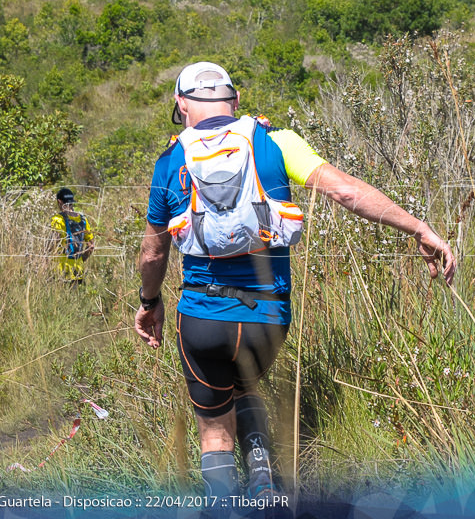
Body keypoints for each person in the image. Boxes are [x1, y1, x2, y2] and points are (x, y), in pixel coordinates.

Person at [134, 62, 456, 513]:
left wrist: (150, 303)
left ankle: (224, 506)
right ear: (236, 101)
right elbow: (345, 192)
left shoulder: (168, 162)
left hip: (201, 317)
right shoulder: (277, 141)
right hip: (268, 316)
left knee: (213, 431)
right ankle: (265, 487)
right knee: (247, 386)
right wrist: (418, 228)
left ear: (181, 105)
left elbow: (153, 254)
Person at [51, 187, 95, 283]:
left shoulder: (58, 219)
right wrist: (81, 260)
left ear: (59, 202)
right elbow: (91, 246)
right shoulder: (83, 219)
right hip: (78, 270)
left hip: (61, 269)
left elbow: (54, 243)